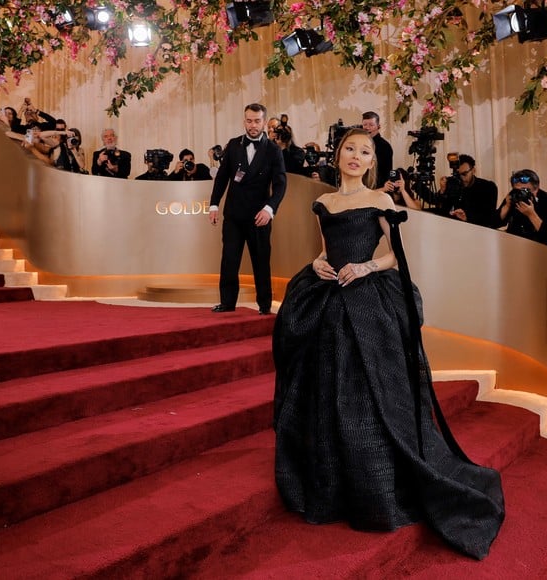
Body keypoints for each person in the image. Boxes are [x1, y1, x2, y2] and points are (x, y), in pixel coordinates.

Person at [272, 128, 504, 560]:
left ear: (373, 161)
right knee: (328, 391)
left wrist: (364, 268)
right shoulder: (323, 203)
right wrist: (317, 263)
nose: (356, 156)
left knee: (369, 392)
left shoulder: (381, 201)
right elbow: (323, 250)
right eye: (350, 150)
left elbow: (396, 256)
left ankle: (378, 483)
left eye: (365, 151)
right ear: (338, 155)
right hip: (326, 297)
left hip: (368, 297)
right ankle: (331, 481)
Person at [208, 103, 286, 315]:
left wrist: (269, 209)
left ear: (264, 122)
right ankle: (227, 302)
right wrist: (214, 204)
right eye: (249, 120)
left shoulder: (273, 150)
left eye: (257, 121)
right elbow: (222, 178)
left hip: (259, 216)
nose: (253, 125)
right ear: (244, 121)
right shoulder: (233, 145)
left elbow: (280, 184)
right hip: (233, 214)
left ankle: (264, 305)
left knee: (261, 260)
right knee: (229, 259)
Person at [495, 169, 547, 246]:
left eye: (524, 190)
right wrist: (507, 206)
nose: (520, 194)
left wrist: (531, 214)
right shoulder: (514, 195)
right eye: (517, 190)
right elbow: (495, 224)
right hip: (514, 243)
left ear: (536, 189)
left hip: (538, 247)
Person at [437, 154, 498, 228]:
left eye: (464, 174)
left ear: (473, 170)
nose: (462, 178)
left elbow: (490, 218)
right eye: (458, 175)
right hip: (453, 228)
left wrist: (467, 217)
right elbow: (441, 211)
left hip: (478, 231)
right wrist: (442, 191)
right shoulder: (452, 182)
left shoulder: (488, 187)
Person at [361, 111, 393, 187]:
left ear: (378, 126)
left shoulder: (385, 146)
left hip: (378, 187)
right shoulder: (360, 143)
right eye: (365, 124)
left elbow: (386, 172)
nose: (367, 128)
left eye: (371, 125)